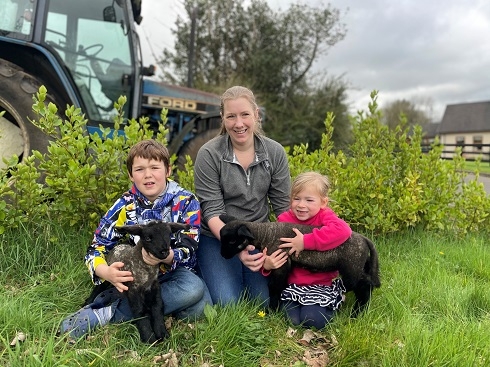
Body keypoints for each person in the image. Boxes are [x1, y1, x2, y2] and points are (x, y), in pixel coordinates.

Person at [60, 139, 211, 339]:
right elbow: (96, 247)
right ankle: (105, 313)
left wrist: (166, 256)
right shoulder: (124, 205)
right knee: (193, 292)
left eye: (155, 167)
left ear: (167, 170)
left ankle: (142, 307)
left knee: (199, 306)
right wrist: (106, 272)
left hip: (173, 271)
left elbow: (189, 247)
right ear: (131, 175)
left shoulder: (186, 202)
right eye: (139, 169)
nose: (148, 175)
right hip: (135, 276)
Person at [194, 85, 291, 306]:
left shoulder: (275, 153)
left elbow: (283, 208)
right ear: (222, 118)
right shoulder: (209, 154)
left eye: (245, 114)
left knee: (262, 302)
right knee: (228, 302)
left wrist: (286, 245)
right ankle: (203, 268)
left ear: (256, 114)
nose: (239, 124)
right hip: (217, 237)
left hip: (258, 233)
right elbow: (211, 211)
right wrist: (238, 250)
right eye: (231, 116)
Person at [262, 172, 352, 329]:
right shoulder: (284, 220)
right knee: (293, 321)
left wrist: (305, 241)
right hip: (293, 285)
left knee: (313, 320)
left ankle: (335, 300)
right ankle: (299, 307)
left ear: (323, 202)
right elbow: (274, 249)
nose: (301, 205)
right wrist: (267, 265)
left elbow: (343, 230)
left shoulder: (324, 216)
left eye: (309, 200)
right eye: (296, 198)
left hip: (320, 285)